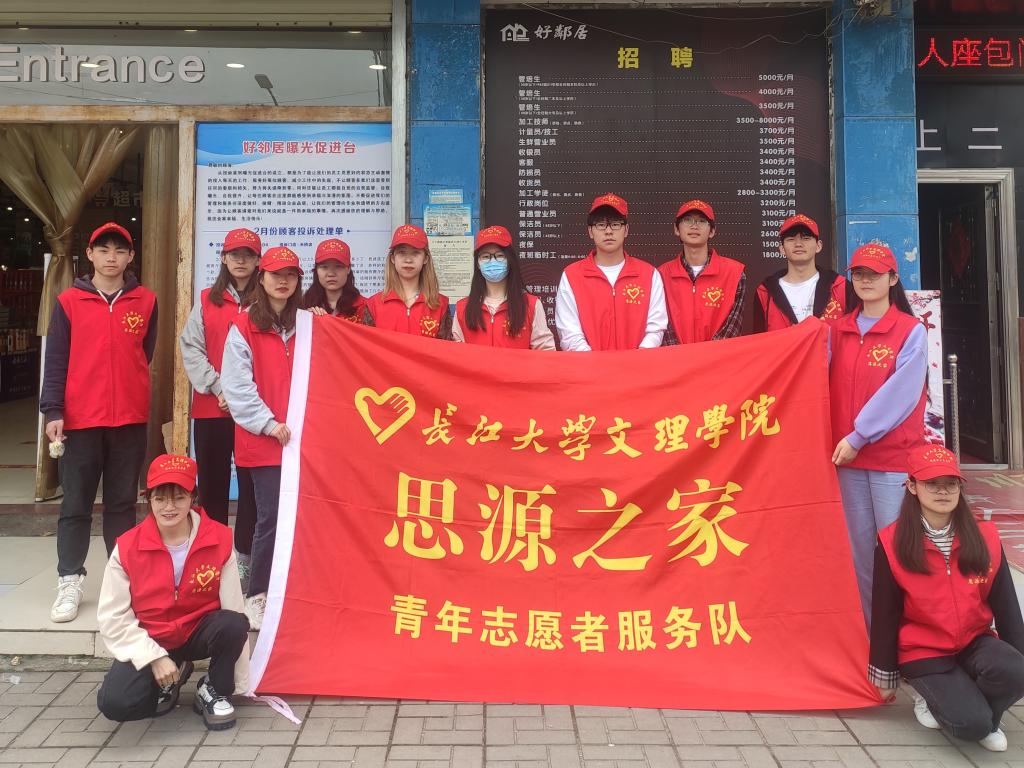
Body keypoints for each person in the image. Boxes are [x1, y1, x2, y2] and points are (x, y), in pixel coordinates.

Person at [869, 444, 1024, 752]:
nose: (943, 491)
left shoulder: (985, 537)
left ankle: (983, 715)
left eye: (950, 483)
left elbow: (1006, 603)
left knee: (1016, 671)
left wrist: (1019, 661)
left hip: (974, 640)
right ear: (912, 486)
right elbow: (885, 613)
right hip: (923, 651)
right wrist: (884, 675)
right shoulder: (892, 542)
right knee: (970, 725)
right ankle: (941, 702)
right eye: (932, 484)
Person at [40, 222, 157, 624]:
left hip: (128, 420)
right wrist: (53, 410)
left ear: (130, 257)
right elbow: (56, 359)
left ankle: (121, 583)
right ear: (89, 254)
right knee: (76, 504)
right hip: (81, 421)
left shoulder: (146, 301)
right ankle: (70, 580)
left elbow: (144, 353)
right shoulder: (69, 302)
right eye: (103, 249)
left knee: (122, 505)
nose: (112, 257)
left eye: (120, 250)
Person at [96, 454, 249, 731]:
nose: (169, 507)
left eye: (179, 498)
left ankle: (212, 689)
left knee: (234, 623)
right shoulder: (127, 547)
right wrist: (153, 657)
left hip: (198, 631)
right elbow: (112, 618)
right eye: (160, 499)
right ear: (149, 500)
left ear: (193, 498)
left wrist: (235, 684)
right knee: (117, 703)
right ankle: (172, 672)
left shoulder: (220, 539)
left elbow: (234, 609)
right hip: (152, 636)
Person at [831, 243, 928, 624]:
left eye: (874, 274)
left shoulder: (910, 331)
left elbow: (901, 393)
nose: (865, 280)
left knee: (897, 550)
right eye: (858, 274)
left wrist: (859, 436)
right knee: (858, 555)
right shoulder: (836, 330)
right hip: (848, 463)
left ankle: (909, 635)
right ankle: (873, 638)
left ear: (893, 278)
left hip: (890, 460)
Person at [220, 246, 303, 630]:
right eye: (275, 274)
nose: (282, 281)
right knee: (269, 518)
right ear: (262, 278)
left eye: (290, 275)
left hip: (301, 442)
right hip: (264, 442)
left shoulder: (308, 324)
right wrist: (269, 424)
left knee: (301, 517)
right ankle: (257, 594)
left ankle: (294, 589)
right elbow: (237, 387)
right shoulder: (243, 327)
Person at [179, 228, 260, 592]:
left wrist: (243, 394)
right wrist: (219, 387)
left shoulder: (266, 300)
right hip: (212, 410)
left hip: (253, 413)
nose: (241, 261)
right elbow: (191, 347)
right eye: (234, 254)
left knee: (251, 489)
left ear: (258, 261)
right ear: (224, 258)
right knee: (212, 488)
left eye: (248, 254)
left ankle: (243, 559)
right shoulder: (206, 301)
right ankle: (212, 559)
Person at [554, 193, 667, 351]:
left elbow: (656, 328)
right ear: (590, 231)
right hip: (588, 365)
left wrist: (638, 358)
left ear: (626, 230)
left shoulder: (649, 274)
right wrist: (594, 363)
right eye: (601, 225)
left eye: (615, 224)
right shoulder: (572, 275)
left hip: (638, 364)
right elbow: (569, 333)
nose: (608, 231)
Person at [658, 199, 746, 344]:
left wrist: (707, 356)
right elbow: (661, 325)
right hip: (675, 357)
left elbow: (732, 328)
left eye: (701, 221)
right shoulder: (660, 275)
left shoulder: (734, 273)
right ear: (676, 229)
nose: (694, 226)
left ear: (712, 231)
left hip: (719, 356)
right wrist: (678, 354)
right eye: (687, 220)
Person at [454, 225, 555, 349]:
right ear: (478, 264)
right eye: (485, 257)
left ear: (510, 260)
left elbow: (545, 351)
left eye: (499, 256)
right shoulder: (463, 308)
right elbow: (455, 354)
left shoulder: (531, 305)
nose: (492, 261)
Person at [753, 214, 845, 332]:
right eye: (791, 239)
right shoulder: (765, 293)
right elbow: (759, 339)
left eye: (806, 238)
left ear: (818, 246)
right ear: (782, 248)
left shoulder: (840, 287)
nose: (798, 244)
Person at [366, 224, 451, 338]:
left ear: (425, 258)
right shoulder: (373, 305)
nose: (408, 260)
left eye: (415, 253)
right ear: (393, 258)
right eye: (402, 252)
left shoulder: (440, 304)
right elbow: (365, 346)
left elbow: (445, 348)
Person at [303, 238, 372, 322]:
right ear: (316, 270)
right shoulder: (303, 306)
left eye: (338, 266)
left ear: (348, 269)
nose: (331, 274)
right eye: (324, 267)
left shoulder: (364, 307)